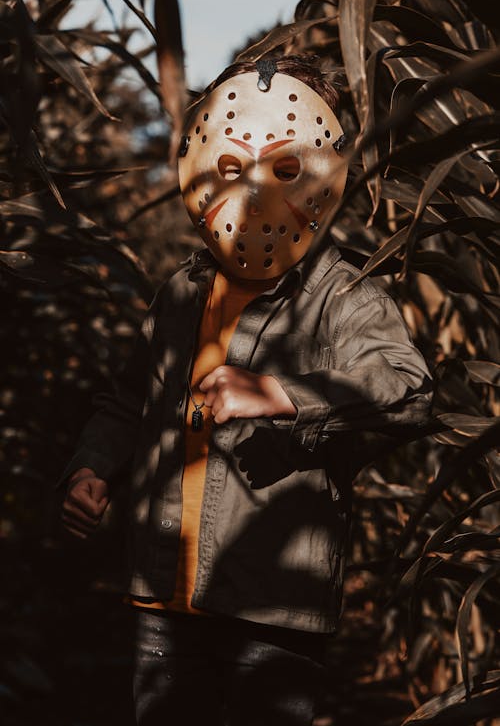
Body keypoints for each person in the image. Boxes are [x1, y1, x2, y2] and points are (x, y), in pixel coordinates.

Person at [60, 56, 432, 726]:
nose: (256, 181)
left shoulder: (343, 292)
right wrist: (93, 466)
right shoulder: (183, 291)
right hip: (164, 600)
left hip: (274, 608)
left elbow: (408, 388)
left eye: (285, 164)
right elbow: (127, 400)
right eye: (235, 161)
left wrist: (285, 394)